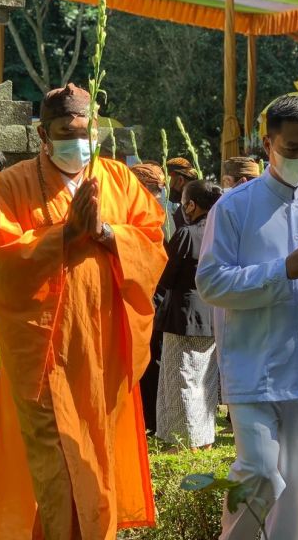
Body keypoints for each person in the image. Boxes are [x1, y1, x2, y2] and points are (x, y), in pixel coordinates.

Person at [0, 83, 165, 540]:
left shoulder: (118, 179)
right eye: (65, 131)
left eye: (84, 131)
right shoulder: (15, 183)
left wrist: (105, 232)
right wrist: (63, 235)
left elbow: (153, 241)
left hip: (101, 350)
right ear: (44, 135)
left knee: (95, 454)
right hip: (44, 355)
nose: (76, 141)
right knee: (58, 463)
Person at [196, 95, 298, 540]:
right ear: (268, 143)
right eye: (292, 149)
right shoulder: (233, 207)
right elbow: (211, 283)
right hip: (252, 367)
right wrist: (281, 271)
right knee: (260, 475)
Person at [155, 179, 222, 451]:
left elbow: (165, 275)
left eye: (184, 203)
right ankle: (204, 438)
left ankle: (186, 442)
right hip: (213, 315)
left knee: (182, 378)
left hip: (183, 316)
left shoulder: (188, 233)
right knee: (206, 380)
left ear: (192, 205)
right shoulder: (222, 235)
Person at [130, 161, 169, 435]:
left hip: (152, 296)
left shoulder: (153, 214)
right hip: (155, 296)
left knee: (149, 361)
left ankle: (149, 419)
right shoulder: (163, 211)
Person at [167, 157, 198, 229]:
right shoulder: (203, 202)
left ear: (180, 180)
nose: (167, 187)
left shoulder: (186, 212)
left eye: (168, 181)